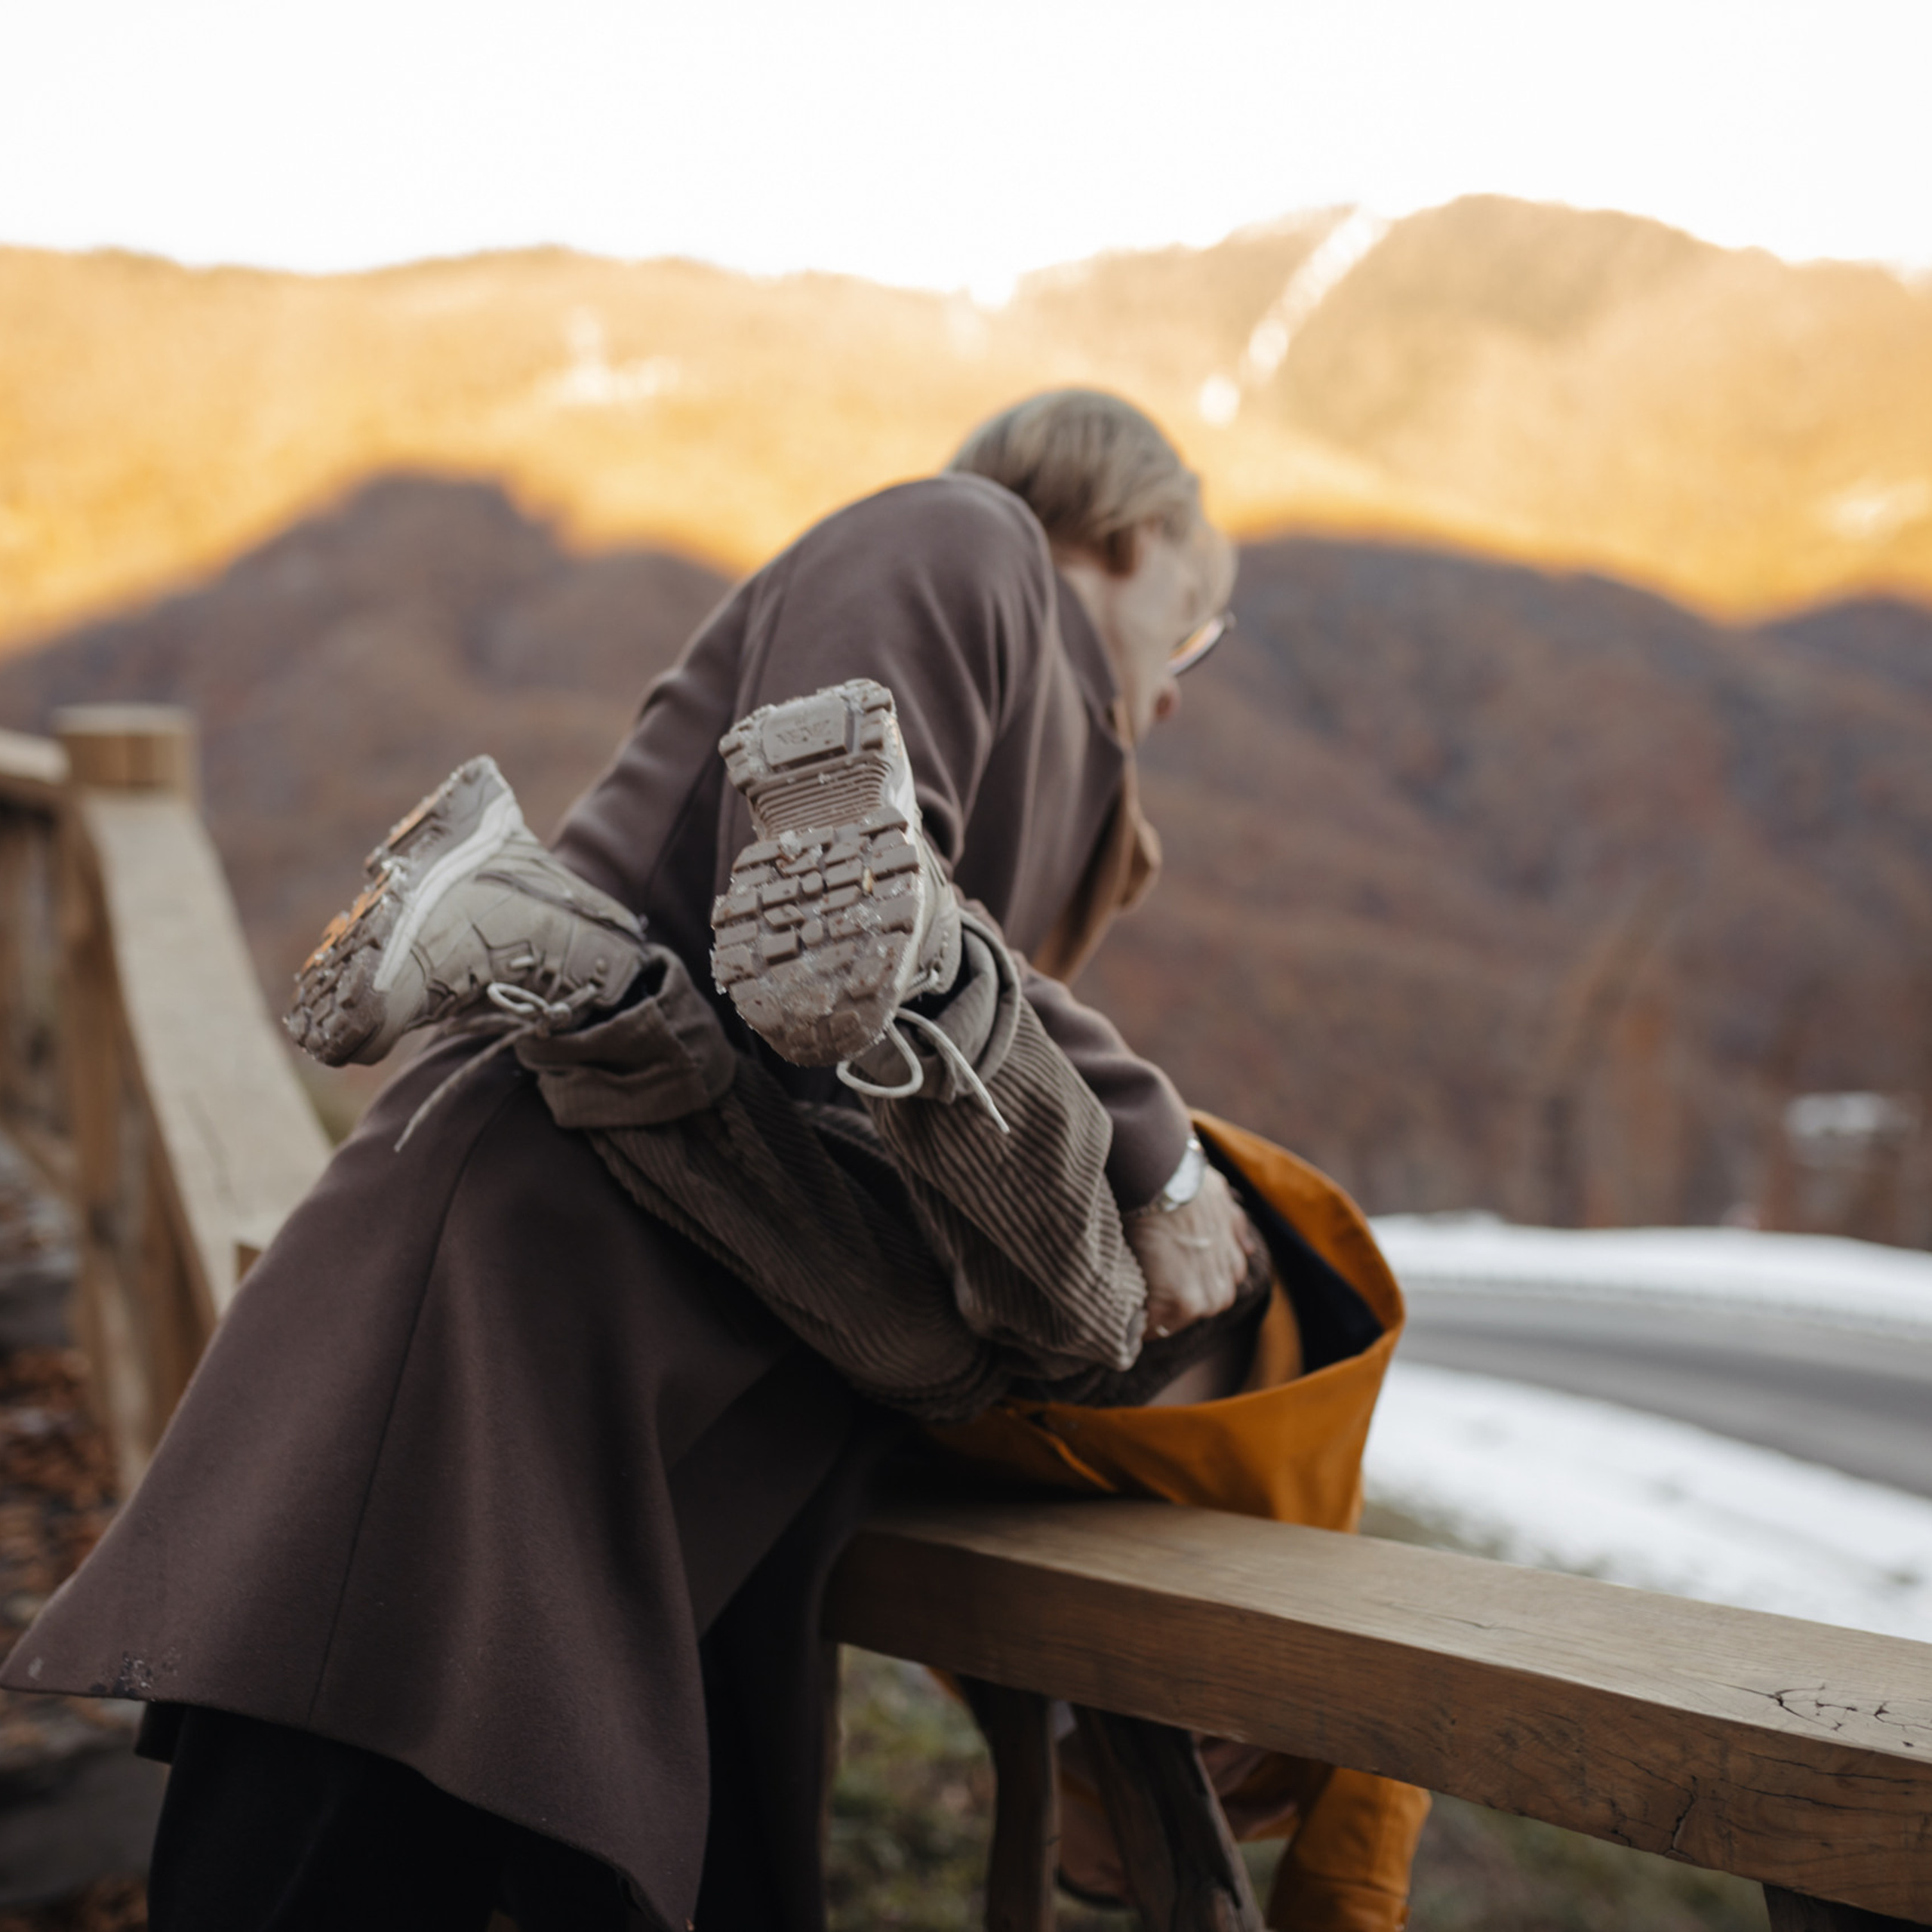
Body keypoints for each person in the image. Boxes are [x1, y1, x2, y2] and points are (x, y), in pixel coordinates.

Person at [1, 390, 1423, 1929]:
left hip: (711, 1368)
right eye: (1194, 626)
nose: (1180, 690)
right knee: (332, 1845)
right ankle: (565, 962)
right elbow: (811, 866)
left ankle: (557, 947)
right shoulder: (966, 539)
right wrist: (1146, 1144)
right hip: (538, 1291)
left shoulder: (1067, 761)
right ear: (1127, 533)